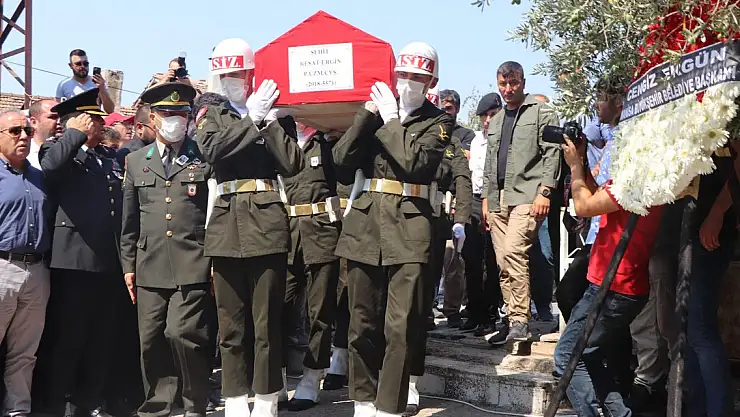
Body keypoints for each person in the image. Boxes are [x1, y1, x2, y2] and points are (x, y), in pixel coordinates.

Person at [332, 41, 454, 417]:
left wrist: (390, 120)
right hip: (365, 224)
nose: (408, 82)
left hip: (410, 227)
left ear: (431, 81)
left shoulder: (439, 121)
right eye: (403, 74)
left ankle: (389, 407)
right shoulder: (376, 114)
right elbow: (340, 161)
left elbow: (415, 165)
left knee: (400, 327)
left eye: (417, 76)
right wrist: (366, 115)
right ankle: (363, 401)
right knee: (361, 322)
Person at [196, 38, 304, 417]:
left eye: (237, 73)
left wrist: (269, 121)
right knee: (231, 324)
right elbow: (211, 150)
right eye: (225, 74)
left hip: (267, 224)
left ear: (251, 73)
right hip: (226, 225)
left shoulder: (277, 114)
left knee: (266, 321)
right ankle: (236, 398)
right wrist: (250, 120)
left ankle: (268, 397)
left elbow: (293, 164)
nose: (231, 80)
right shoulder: (212, 114)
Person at [120, 82, 215, 417]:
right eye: (167, 113)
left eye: (182, 113)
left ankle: (194, 403)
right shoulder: (136, 161)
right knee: (151, 339)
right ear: (153, 118)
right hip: (149, 262)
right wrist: (128, 265)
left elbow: (213, 212)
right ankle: (158, 405)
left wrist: (213, 260)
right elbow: (129, 220)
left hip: (193, 260)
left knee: (183, 334)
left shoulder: (203, 156)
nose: (175, 119)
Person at [553, 133, 664, 416]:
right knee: (587, 356)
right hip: (618, 284)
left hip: (614, 285)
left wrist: (575, 167)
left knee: (567, 356)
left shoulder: (633, 184)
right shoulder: (644, 183)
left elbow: (584, 207)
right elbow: (595, 194)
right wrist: (580, 162)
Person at [31, 88, 123, 417]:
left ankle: (87, 403)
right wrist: (74, 134)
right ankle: (55, 404)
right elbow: (52, 167)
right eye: (94, 121)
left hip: (106, 262)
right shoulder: (59, 149)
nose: (101, 126)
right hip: (73, 263)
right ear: (80, 123)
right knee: (68, 340)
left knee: (99, 340)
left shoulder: (106, 158)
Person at [481, 61, 561, 344]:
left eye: (513, 83)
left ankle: (520, 320)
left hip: (527, 195)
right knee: (503, 261)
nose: (508, 89)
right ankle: (512, 319)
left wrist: (545, 191)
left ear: (523, 83)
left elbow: (552, 153)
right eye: (503, 84)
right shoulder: (497, 120)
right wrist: (486, 199)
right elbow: (490, 162)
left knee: (515, 252)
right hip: (498, 198)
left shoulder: (541, 112)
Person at [277, 122, 341, 411]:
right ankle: (276, 378)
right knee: (279, 308)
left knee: (320, 312)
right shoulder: (279, 137)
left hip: (322, 231)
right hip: (286, 234)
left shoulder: (328, 140)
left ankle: (312, 377)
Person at [407, 132, 471, 415]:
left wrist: (461, 220)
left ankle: (410, 380)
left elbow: (461, 178)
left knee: (419, 304)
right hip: (387, 222)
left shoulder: (447, 139)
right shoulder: (389, 125)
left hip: (429, 222)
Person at [0, 110, 51, 417]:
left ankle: (17, 408)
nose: (22, 137)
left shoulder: (39, 176)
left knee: (25, 350)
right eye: (14, 131)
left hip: (37, 271)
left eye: (27, 132)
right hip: (2, 267)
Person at [463, 93, 503, 338]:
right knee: (471, 258)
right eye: (484, 116)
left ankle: (489, 315)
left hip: (496, 200)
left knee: (492, 260)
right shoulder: (476, 141)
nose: (487, 120)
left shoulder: (504, 139)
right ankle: (474, 312)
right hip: (474, 199)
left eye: (492, 115)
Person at [55, 49, 115, 114]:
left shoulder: (99, 83)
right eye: (78, 64)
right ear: (71, 66)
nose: (83, 66)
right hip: (73, 119)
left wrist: (102, 89)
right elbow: (57, 111)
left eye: (85, 63)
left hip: (94, 119)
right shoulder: (63, 85)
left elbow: (110, 110)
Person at [27, 99, 60, 169]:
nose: (59, 121)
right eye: (53, 117)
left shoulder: (74, 150)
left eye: (63, 116)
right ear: (34, 122)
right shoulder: (24, 154)